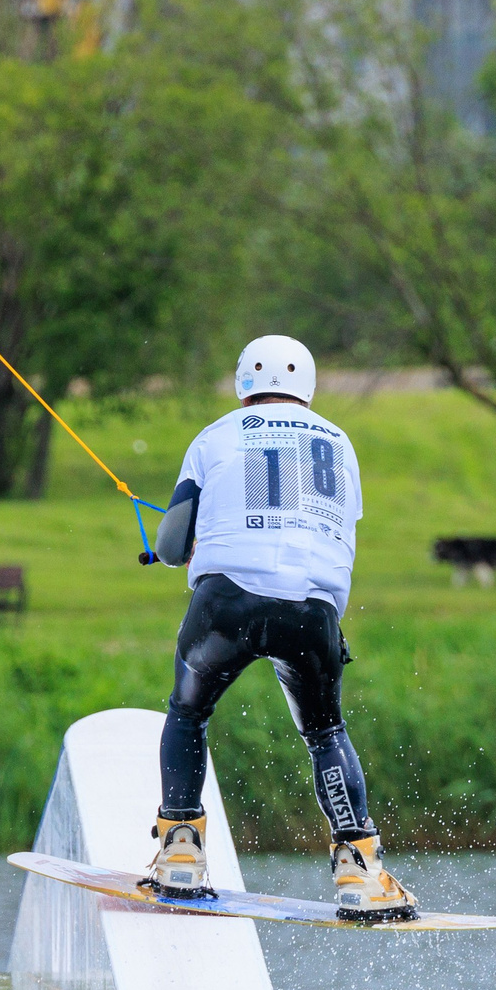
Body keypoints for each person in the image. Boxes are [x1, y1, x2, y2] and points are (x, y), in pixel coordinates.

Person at [142, 335, 417, 919]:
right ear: (308, 387)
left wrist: (180, 551)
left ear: (243, 384)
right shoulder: (340, 443)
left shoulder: (214, 436)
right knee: (324, 733)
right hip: (312, 614)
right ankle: (358, 866)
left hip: (225, 607)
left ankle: (180, 851)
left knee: (188, 713)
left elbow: (170, 547)